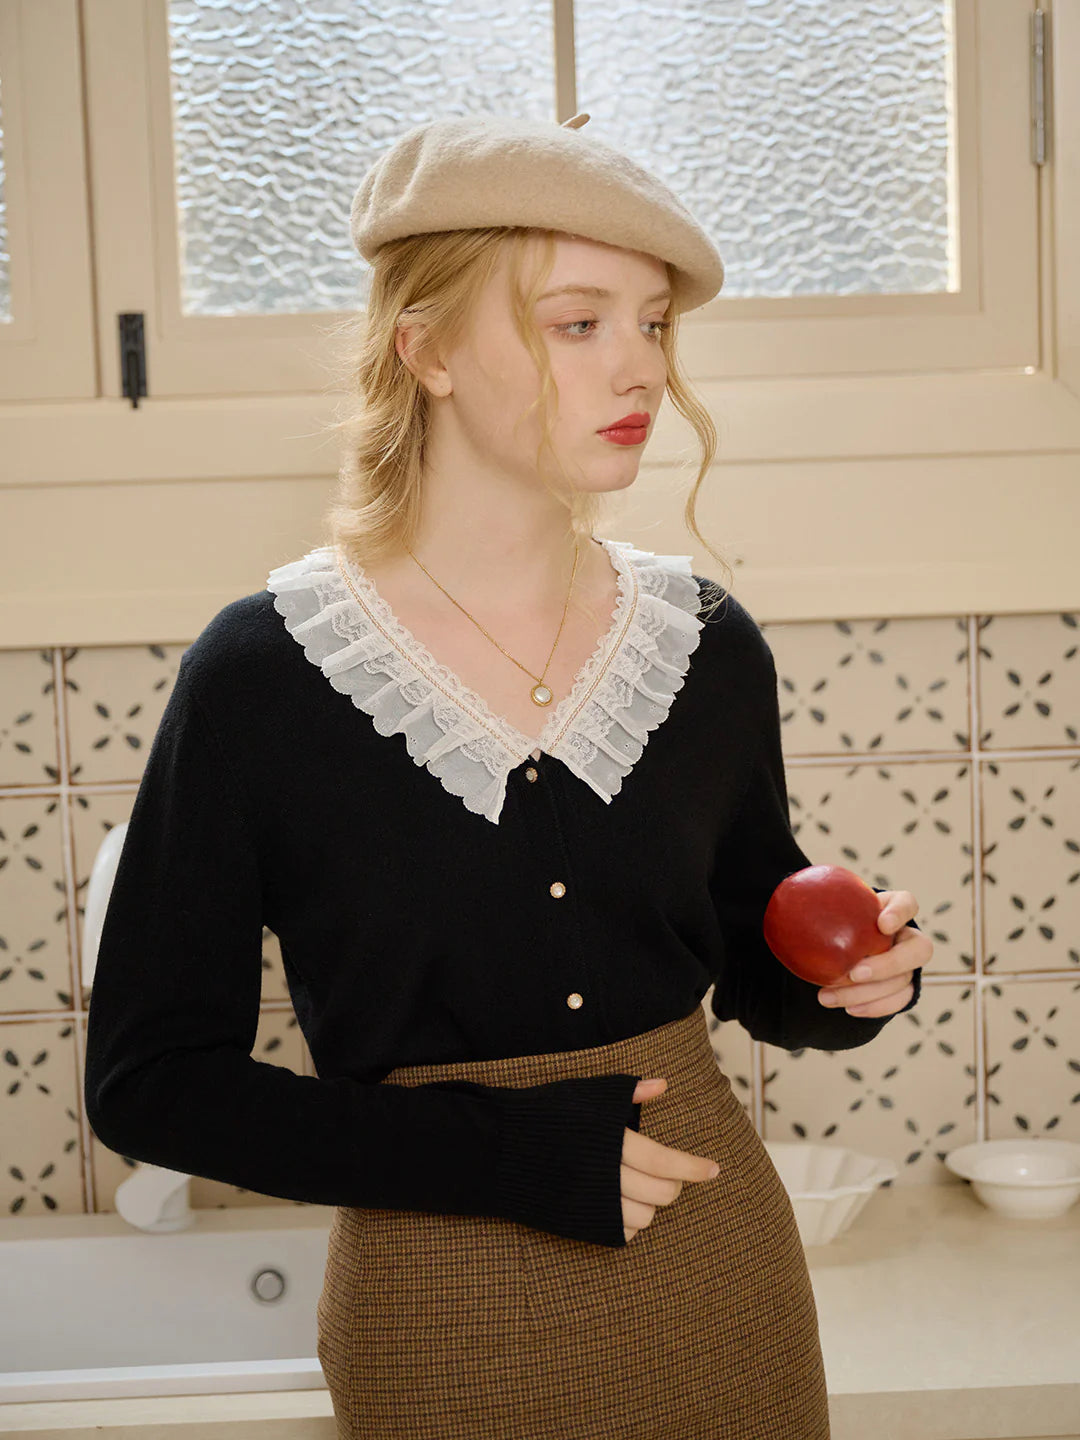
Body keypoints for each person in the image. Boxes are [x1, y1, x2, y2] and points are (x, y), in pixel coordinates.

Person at [83, 112, 929, 1438]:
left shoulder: (703, 646)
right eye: (577, 323)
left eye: (653, 324)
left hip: (722, 1284)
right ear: (424, 350)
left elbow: (757, 966)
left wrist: (851, 985)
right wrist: (500, 1154)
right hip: (439, 1312)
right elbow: (150, 1082)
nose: (639, 366)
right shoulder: (262, 676)